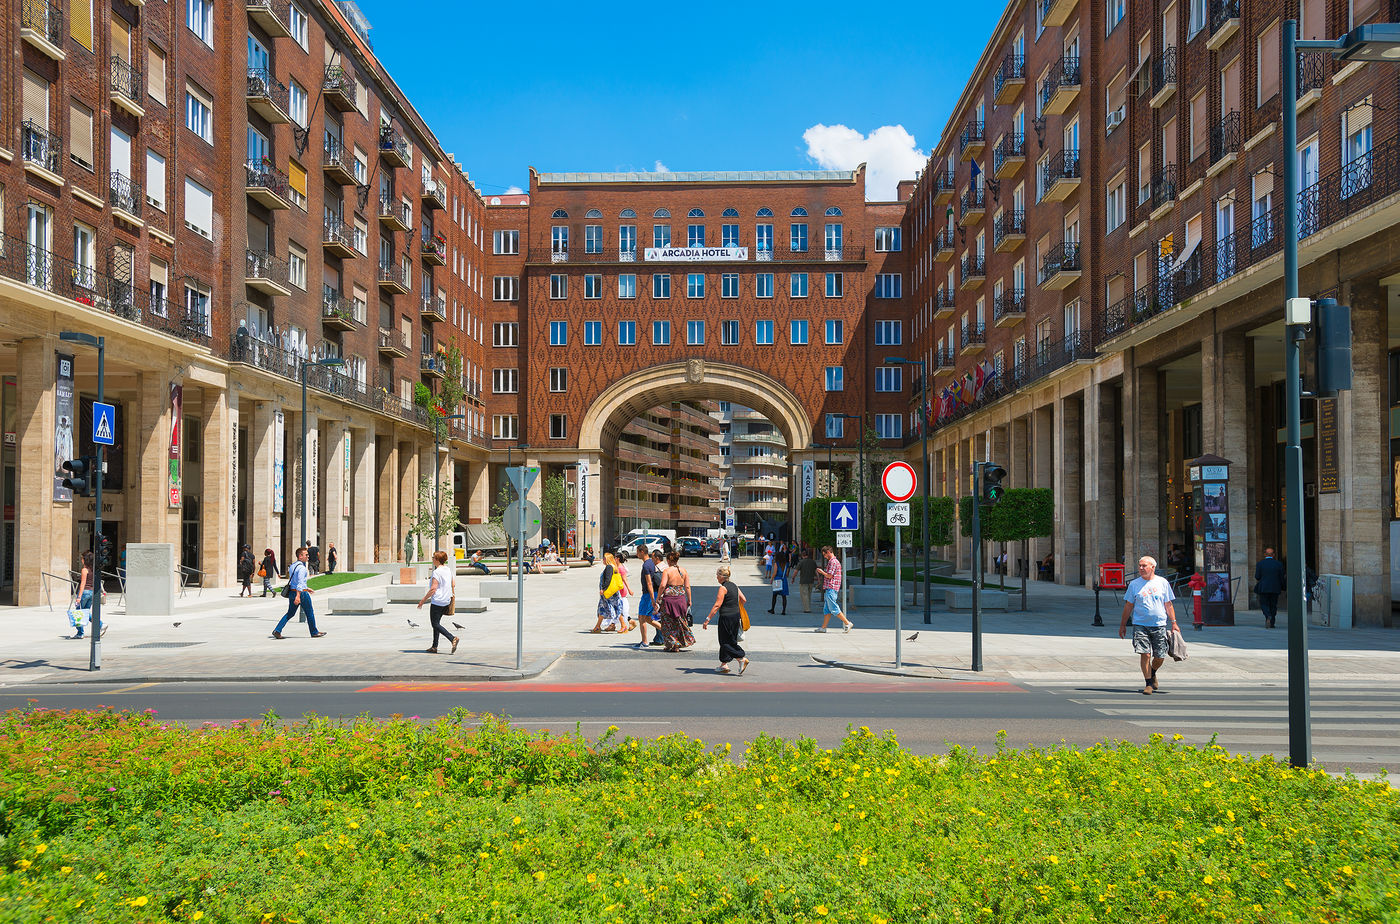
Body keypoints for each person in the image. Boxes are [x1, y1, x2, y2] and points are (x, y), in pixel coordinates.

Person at [1117, 555, 1178, 695]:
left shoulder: (1162, 583)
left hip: (1159, 625)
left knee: (1160, 656)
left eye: (1144, 566)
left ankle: (1153, 672)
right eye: (1140, 565)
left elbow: (1168, 604)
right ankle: (1148, 683)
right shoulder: (1134, 584)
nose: (1141, 568)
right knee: (1145, 654)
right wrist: (1122, 625)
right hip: (1140, 624)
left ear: (1152, 567)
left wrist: (1174, 623)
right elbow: (1128, 605)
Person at [703, 565, 749, 674]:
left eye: (717, 575)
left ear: (721, 576)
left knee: (725, 642)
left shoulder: (723, 588)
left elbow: (717, 605)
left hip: (726, 617)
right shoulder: (734, 586)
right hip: (735, 616)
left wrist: (707, 619)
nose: (716, 577)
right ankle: (724, 664)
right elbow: (744, 600)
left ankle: (741, 658)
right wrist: (733, 605)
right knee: (730, 639)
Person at [272, 547, 325, 639]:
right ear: (300, 556)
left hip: (293, 592)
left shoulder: (293, 566)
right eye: (306, 555)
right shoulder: (302, 568)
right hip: (301, 594)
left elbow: (294, 581)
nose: (308, 556)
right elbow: (300, 582)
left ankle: (277, 630)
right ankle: (314, 632)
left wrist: (306, 588)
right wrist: (298, 596)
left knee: (290, 613)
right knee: (309, 612)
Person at [416, 550, 459, 654]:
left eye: (433, 558)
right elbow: (453, 584)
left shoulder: (436, 572)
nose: (432, 559)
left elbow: (433, 589)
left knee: (435, 624)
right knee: (437, 623)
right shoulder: (448, 570)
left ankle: (452, 638)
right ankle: (434, 646)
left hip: (437, 601)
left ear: (437, 560)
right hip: (446, 600)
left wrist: (422, 601)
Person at [657, 550, 695, 652]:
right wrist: (689, 600)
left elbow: (663, 585)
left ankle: (672, 644)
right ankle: (680, 642)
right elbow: (687, 586)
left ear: (669, 560)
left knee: (667, 622)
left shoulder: (667, 571)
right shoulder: (683, 571)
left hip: (669, 600)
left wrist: (658, 598)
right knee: (679, 621)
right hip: (681, 599)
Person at [815, 546, 853, 633]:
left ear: (828, 552)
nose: (824, 556)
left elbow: (829, 575)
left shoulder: (833, 562)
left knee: (833, 608)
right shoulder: (834, 562)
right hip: (831, 588)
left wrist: (821, 572)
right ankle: (823, 627)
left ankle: (847, 623)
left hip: (831, 587)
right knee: (827, 609)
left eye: (825, 554)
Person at [635, 548, 663, 650]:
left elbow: (649, 583)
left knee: (641, 617)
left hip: (648, 594)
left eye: (638, 552)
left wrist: (652, 599)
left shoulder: (646, 565)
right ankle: (668, 633)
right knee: (648, 618)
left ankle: (645, 642)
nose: (637, 554)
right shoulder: (651, 563)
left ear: (642, 552)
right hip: (652, 594)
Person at [592, 552, 626, 633]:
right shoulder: (612, 567)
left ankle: (623, 625)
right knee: (603, 608)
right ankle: (597, 626)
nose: (603, 560)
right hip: (610, 593)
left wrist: (603, 589)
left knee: (616, 608)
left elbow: (608, 579)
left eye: (604, 558)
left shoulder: (609, 567)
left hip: (609, 593)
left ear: (607, 559)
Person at [1254, 547, 1286, 629]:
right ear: (1273, 555)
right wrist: (1283, 586)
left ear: (1265, 554)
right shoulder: (1278, 564)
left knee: (1264, 603)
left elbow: (1257, 577)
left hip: (1264, 588)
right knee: (1273, 605)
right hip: (1275, 588)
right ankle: (1272, 623)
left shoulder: (1260, 564)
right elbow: (1282, 577)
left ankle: (1267, 615)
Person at [71, 550, 95, 639]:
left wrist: (79, 597)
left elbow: (83, 583)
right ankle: (100, 624)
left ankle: (80, 633)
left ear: (85, 560)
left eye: (82, 558)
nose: (81, 560)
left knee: (79, 613)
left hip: (85, 592)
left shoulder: (84, 570)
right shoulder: (93, 570)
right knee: (85, 612)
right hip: (91, 592)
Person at [797, 548, 818, 613]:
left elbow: (796, 571)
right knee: (809, 594)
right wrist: (818, 578)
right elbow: (816, 571)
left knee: (804, 595)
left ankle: (807, 609)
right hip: (811, 580)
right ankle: (808, 607)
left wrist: (793, 578)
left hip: (803, 581)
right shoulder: (813, 562)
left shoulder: (801, 562)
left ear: (802, 556)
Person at [768, 548, 789, 615]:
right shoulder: (786, 564)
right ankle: (783, 611)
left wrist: (771, 579)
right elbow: (787, 573)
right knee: (784, 596)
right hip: (784, 580)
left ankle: (772, 609)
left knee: (774, 595)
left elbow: (774, 572)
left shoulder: (776, 564)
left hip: (777, 579)